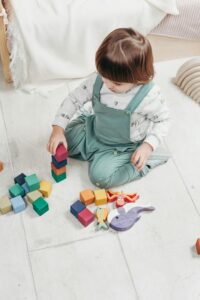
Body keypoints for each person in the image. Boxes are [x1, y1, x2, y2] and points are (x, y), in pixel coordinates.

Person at [47, 28, 171, 188]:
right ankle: (90, 142)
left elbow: (164, 120)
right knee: (60, 143)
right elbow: (73, 98)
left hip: (123, 147)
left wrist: (148, 146)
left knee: (100, 177)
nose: (108, 85)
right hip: (94, 131)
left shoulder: (148, 95)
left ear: (138, 77)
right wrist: (58, 130)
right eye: (104, 77)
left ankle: (147, 161)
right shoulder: (99, 80)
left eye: (117, 83)